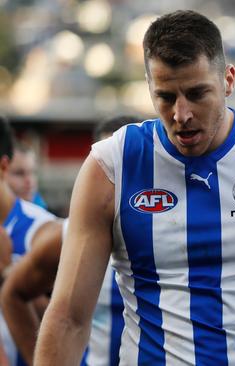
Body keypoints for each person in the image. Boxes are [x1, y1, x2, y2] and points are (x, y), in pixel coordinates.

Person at [35, 10, 235, 365]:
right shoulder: (111, 166)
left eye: (196, 93)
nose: (181, 114)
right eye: (165, 96)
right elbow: (68, 317)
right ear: (148, 87)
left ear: (228, 80)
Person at [1, 115, 140, 366]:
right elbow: (15, 293)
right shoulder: (65, 235)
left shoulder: (180, 233)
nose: (113, 172)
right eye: (105, 162)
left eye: (124, 161)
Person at [0, 116, 59, 366]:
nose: (28, 180)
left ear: (2, 167)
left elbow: (71, 325)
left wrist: (8, 276)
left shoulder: (43, 231)